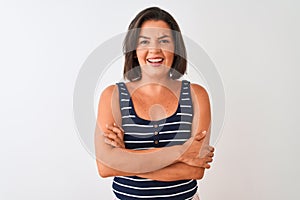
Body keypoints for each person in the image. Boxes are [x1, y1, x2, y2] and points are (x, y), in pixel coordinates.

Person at [95, 7, 214, 200]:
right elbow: (105, 167)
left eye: (164, 40)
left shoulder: (195, 95)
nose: (155, 50)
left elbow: (194, 171)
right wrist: (179, 152)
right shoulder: (113, 96)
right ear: (134, 50)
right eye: (144, 41)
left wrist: (125, 158)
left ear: (176, 48)